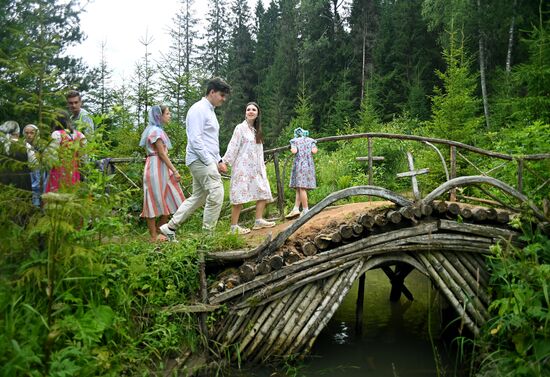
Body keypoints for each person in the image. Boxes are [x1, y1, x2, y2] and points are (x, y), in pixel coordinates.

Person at [160, 77, 231, 241]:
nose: (223, 99)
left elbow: (210, 140)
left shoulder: (210, 111)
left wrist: (218, 160)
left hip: (205, 159)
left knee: (198, 196)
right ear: (212, 92)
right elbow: (195, 139)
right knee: (217, 192)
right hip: (200, 160)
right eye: (221, 95)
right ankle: (207, 237)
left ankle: (170, 227)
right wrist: (209, 162)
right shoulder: (198, 109)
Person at [222, 102, 275, 235]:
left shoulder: (256, 131)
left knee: (263, 190)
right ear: (245, 113)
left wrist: (262, 166)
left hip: (256, 168)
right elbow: (233, 146)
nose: (251, 111)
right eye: (248, 109)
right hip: (242, 168)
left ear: (257, 113)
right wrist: (225, 161)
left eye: (254, 110)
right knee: (239, 195)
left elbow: (259, 151)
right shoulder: (240, 128)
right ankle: (233, 227)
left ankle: (258, 220)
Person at [139, 105, 186, 242]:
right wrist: (175, 170)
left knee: (168, 197)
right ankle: (153, 236)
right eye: (167, 113)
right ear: (159, 116)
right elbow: (161, 153)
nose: (169, 115)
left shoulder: (158, 130)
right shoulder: (155, 132)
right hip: (155, 168)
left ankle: (161, 230)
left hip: (161, 168)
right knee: (152, 199)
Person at [44, 111, 86, 193]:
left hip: (59, 171)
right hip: (74, 170)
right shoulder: (80, 135)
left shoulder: (57, 134)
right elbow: (83, 157)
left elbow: (52, 157)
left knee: (57, 196)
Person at [286, 127, 318, 219]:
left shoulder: (295, 141)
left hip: (299, 165)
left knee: (302, 188)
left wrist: (293, 148)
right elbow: (314, 151)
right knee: (299, 188)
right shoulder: (311, 141)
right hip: (309, 165)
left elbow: (294, 151)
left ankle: (305, 210)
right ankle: (296, 208)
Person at [0, 120, 31, 191]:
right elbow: (34, 164)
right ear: (18, 133)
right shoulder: (26, 146)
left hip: (2, 180)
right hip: (22, 182)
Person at [23, 124, 47, 207]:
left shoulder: (41, 146)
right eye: (26, 133)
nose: (29, 135)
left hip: (41, 176)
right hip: (28, 175)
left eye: (32, 133)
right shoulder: (22, 145)